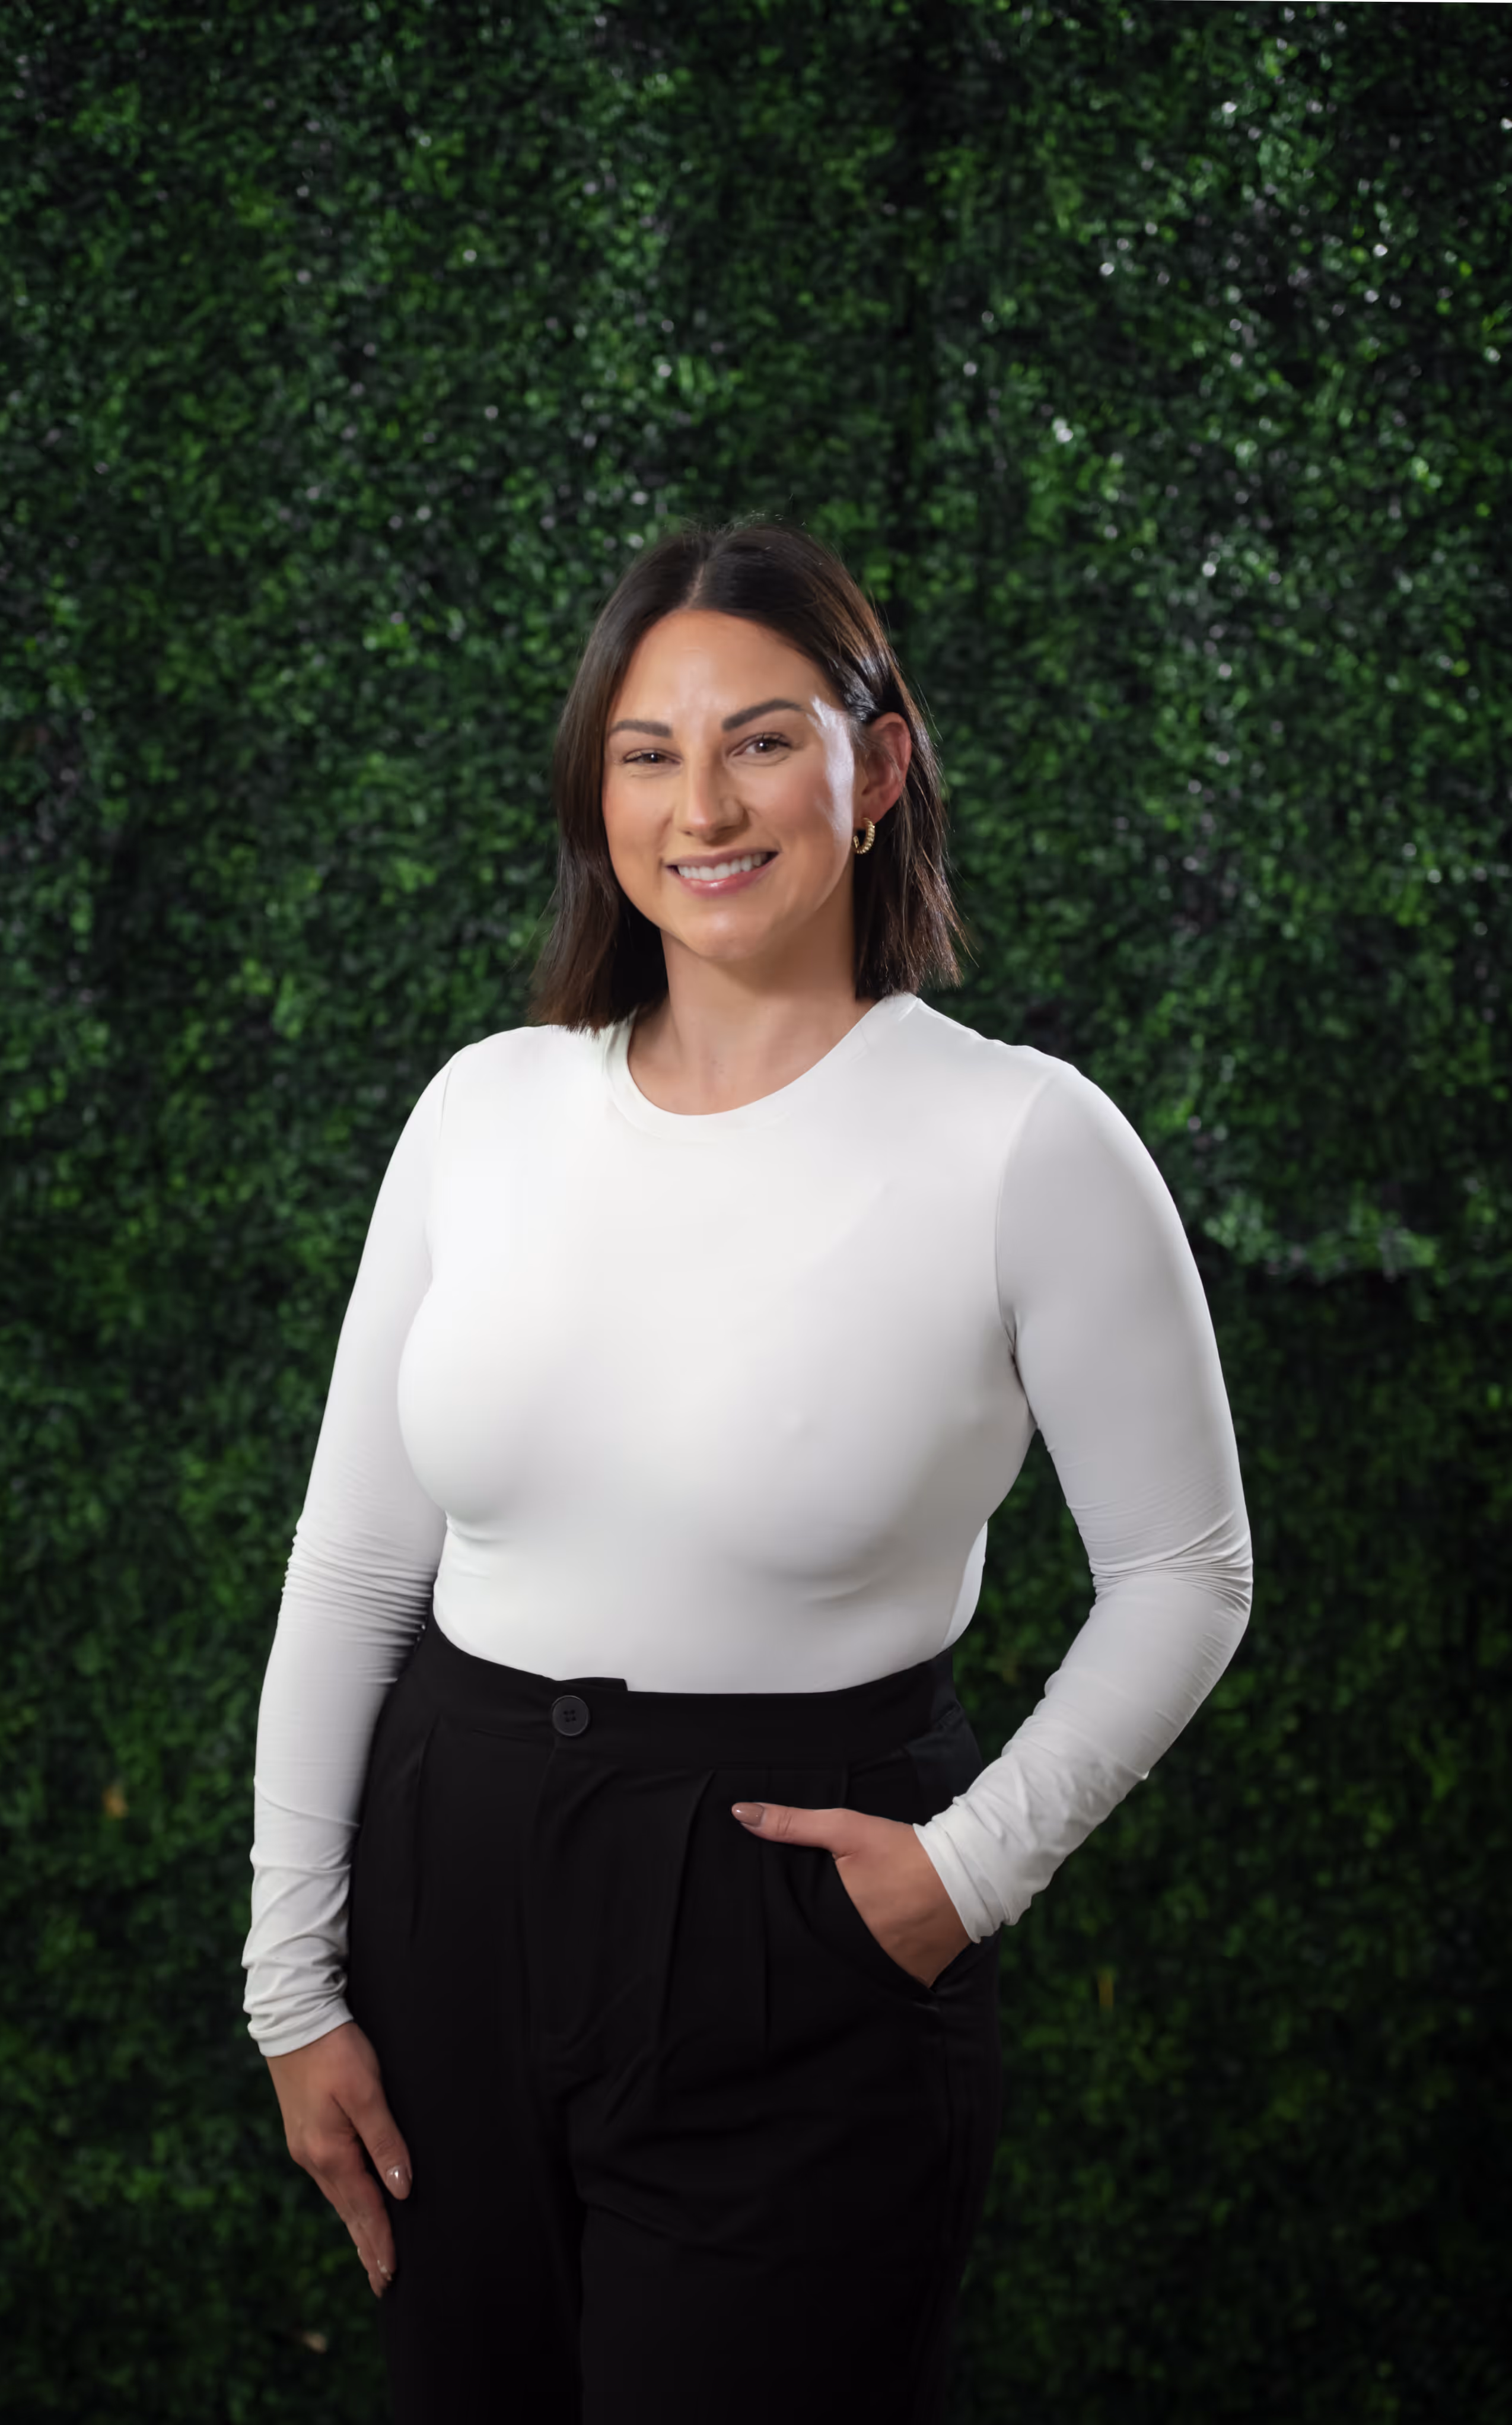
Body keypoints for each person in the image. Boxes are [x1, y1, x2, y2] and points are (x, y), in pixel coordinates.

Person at [242, 519, 1253, 2425]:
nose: (702, 805)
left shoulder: (1025, 1142)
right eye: (648, 753)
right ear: (598, 797)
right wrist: (291, 1982)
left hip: (799, 1911)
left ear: (878, 769)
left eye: (762, 740)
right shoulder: (484, 1108)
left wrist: (966, 1871)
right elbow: (358, 1560)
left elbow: (1188, 1571)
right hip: (452, 1895)